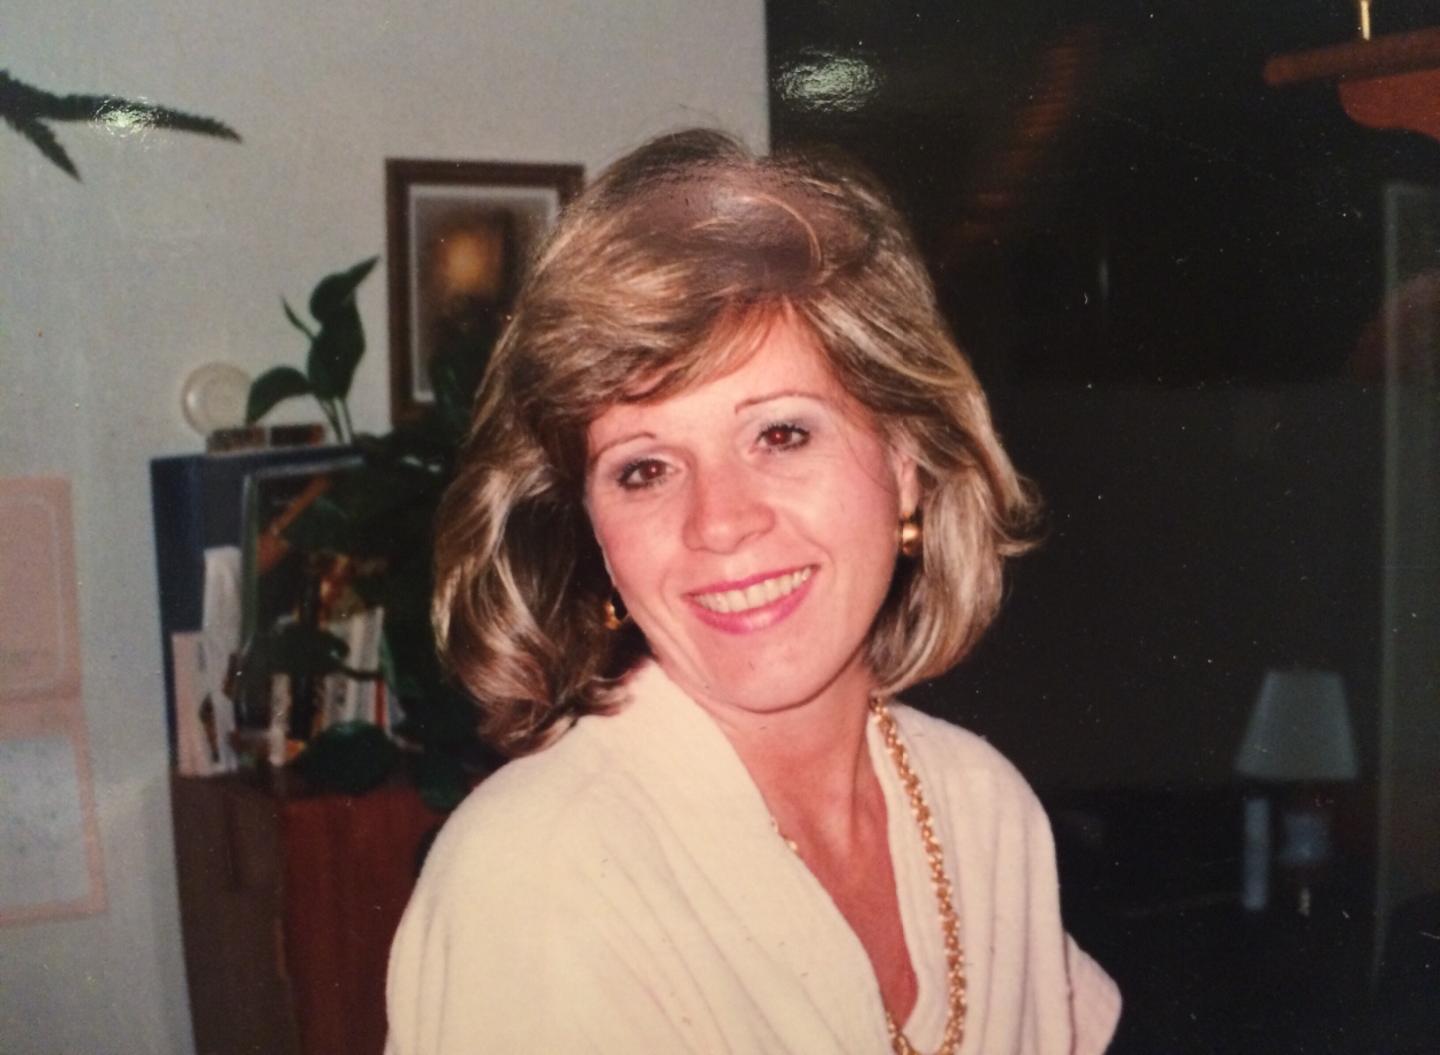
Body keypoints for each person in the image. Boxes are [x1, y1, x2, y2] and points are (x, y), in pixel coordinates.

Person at [386, 129, 1121, 1054]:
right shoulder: (541, 876)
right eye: (645, 469)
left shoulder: (982, 809)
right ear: (592, 530)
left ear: (906, 463)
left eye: (780, 435)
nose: (720, 522)